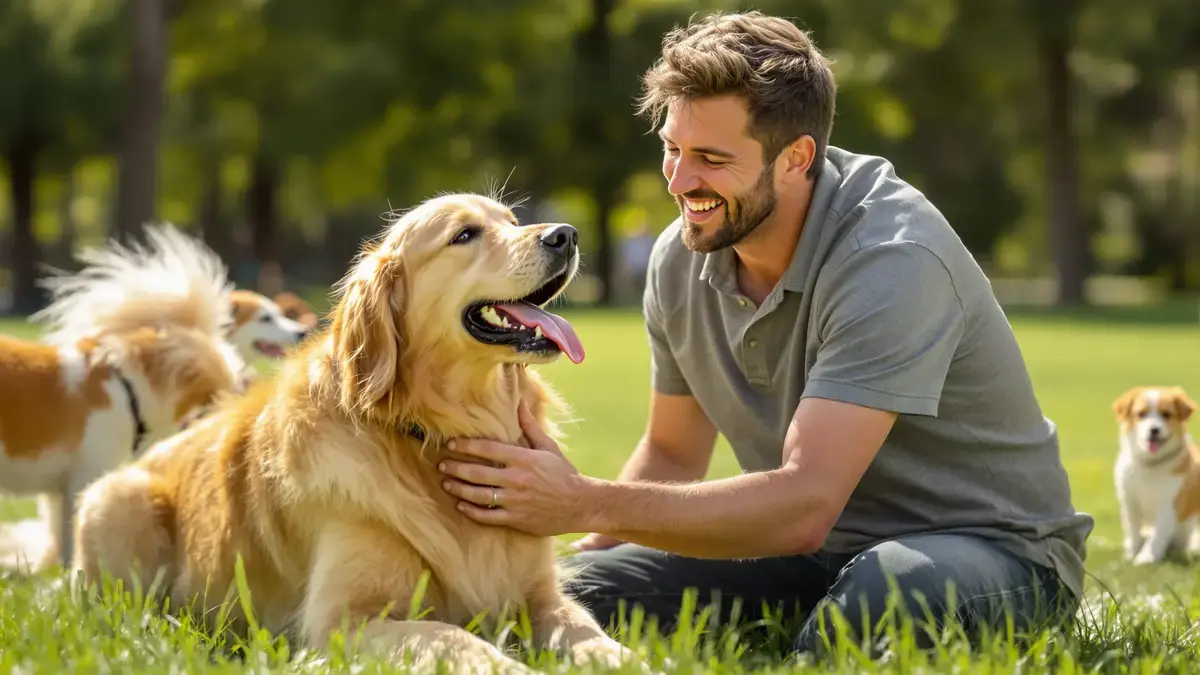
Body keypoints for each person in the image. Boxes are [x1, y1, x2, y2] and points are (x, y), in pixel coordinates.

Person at [437, 10, 1093, 656]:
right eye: (672, 149)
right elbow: (671, 454)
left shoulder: (892, 258)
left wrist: (581, 500)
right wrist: (583, 544)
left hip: (988, 550)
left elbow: (805, 502)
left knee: (877, 598)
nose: (680, 180)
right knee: (574, 599)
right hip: (809, 552)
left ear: (796, 158)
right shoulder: (679, 258)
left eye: (711, 158)